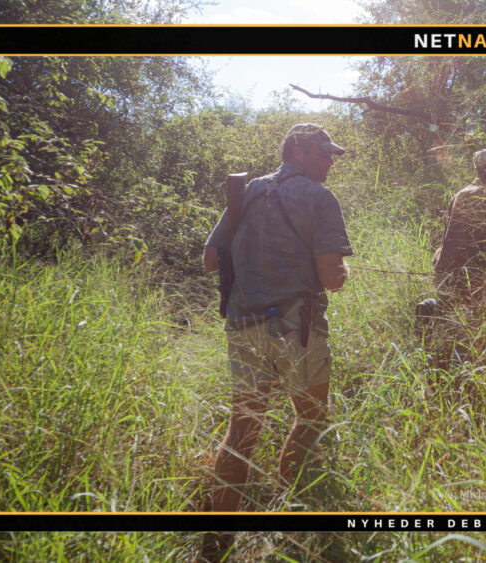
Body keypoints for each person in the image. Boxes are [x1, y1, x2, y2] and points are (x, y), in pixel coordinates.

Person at [199, 123, 353, 561]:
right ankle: (289, 521)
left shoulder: (247, 192)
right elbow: (331, 278)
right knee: (311, 418)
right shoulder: (320, 197)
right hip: (296, 327)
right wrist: (343, 271)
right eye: (324, 153)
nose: (330, 161)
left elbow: (210, 260)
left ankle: (216, 542)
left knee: (243, 429)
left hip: (242, 324)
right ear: (298, 151)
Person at [430, 149, 486, 308]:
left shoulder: (466, 192)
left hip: (448, 270)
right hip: (464, 273)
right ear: (485, 170)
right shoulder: (480, 195)